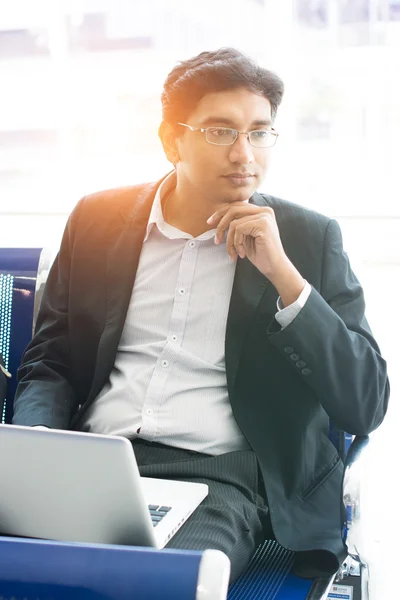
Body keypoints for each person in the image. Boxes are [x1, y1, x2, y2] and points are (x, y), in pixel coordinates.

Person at [12, 47, 389, 583]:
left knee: (156, 583)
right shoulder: (98, 220)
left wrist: (285, 278)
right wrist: (39, 452)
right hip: (94, 462)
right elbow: (51, 363)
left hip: (219, 479)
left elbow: (366, 405)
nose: (245, 154)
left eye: (260, 132)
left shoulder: (308, 239)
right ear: (172, 140)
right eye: (220, 132)